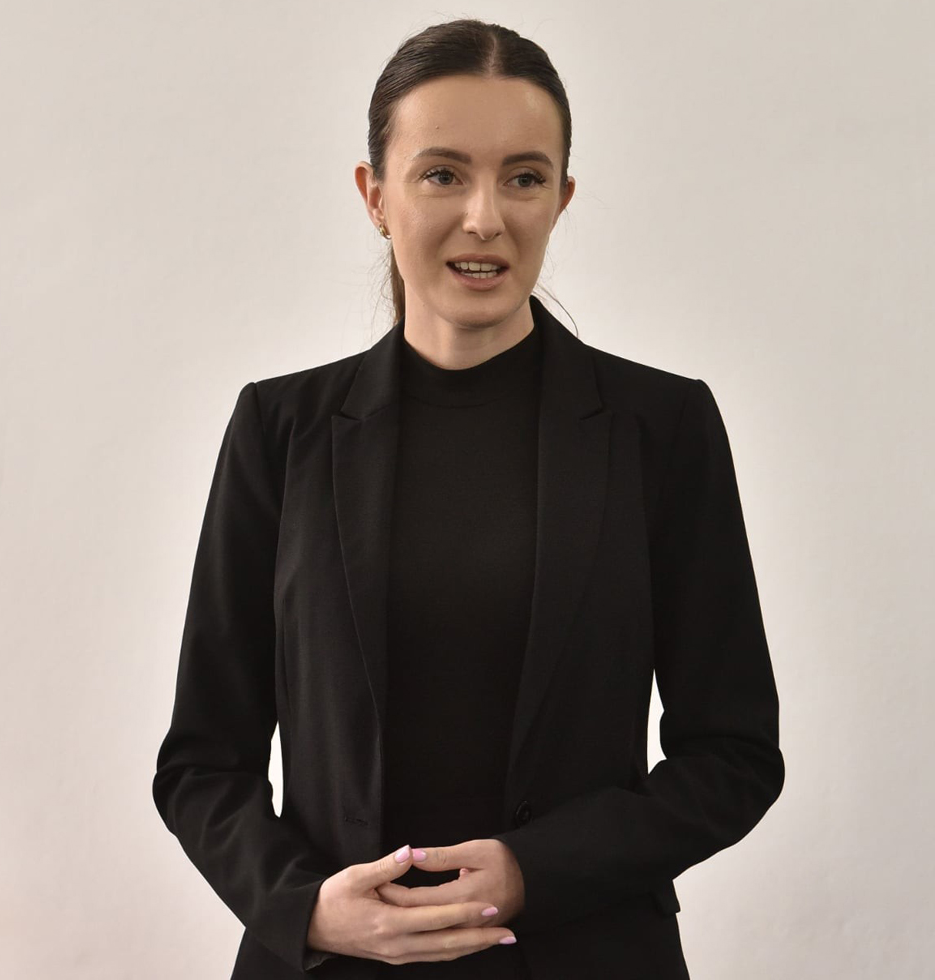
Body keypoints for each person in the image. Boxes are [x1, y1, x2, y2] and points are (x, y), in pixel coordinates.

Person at [152, 17, 785, 980]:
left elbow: (734, 754)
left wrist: (537, 872)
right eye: (442, 174)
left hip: (587, 955)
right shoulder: (280, 430)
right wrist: (305, 907)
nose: (485, 218)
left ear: (561, 198)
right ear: (375, 196)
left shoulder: (662, 428)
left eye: (523, 178)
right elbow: (202, 761)